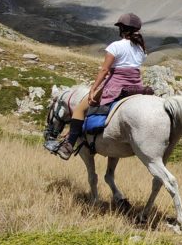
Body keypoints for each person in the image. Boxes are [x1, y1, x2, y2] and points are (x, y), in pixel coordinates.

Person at [53, 12, 147, 160]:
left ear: (122, 29)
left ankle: (69, 145)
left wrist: (93, 90)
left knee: (79, 109)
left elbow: (104, 70)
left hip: (116, 86)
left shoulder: (115, 46)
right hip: (136, 86)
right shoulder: (141, 49)